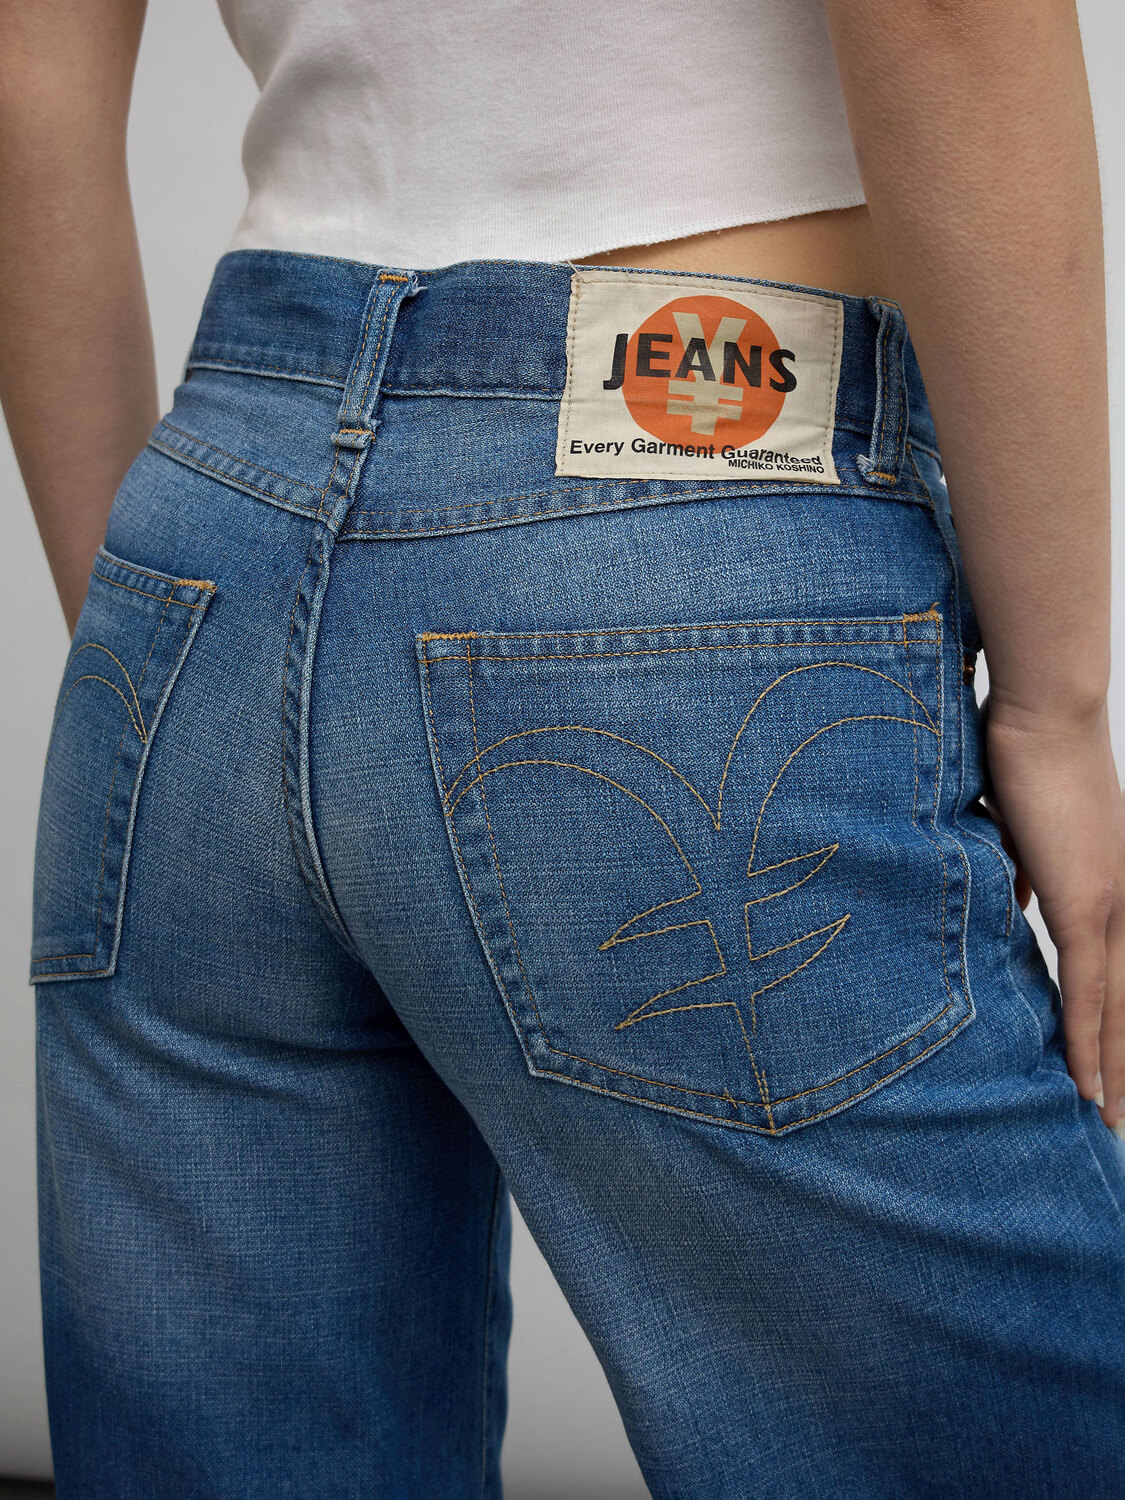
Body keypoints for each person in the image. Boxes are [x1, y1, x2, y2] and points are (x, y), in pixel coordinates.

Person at [2, 0, 1123, 1495]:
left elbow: (25, 70)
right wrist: (1056, 703)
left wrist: (152, 649)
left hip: (210, 525)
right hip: (688, 495)